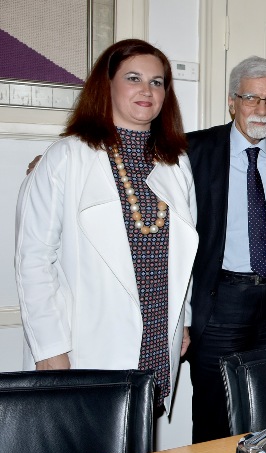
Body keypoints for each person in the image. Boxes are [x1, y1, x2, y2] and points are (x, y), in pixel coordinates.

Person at [15, 39, 198, 412]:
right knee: (90, 440)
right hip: (86, 342)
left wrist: (184, 319)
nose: (147, 90)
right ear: (107, 84)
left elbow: (184, 253)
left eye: (157, 82)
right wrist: (49, 349)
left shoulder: (176, 162)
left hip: (157, 336)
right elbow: (33, 259)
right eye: (134, 78)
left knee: (138, 438)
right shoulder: (66, 158)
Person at [186, 56, 266, 443]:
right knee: (214, 412)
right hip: (221, 303)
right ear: (231, 101)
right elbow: (133, 160)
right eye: (251, 98)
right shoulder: (195, 149)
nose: (262, 109)